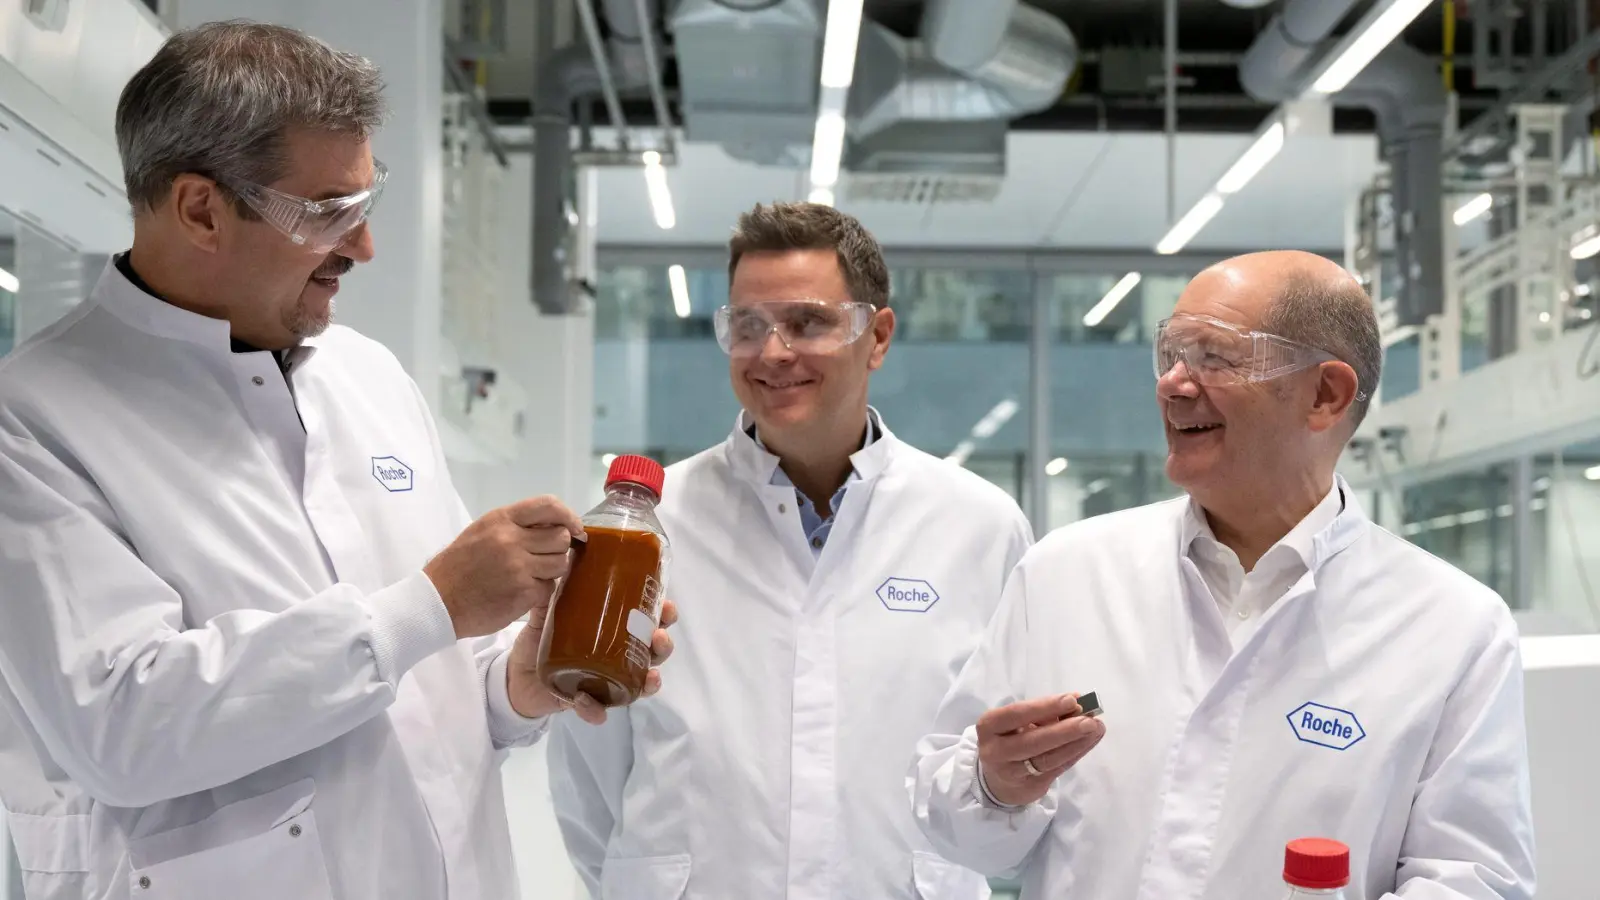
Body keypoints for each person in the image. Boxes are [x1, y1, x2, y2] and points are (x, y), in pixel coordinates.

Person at [0, 22, 674, 900]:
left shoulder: (368, 377)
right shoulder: (36, 418)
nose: (363, 247)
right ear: (202, 209)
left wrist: (519, 680)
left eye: (365, 203)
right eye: (327, 212)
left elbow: (429, 682)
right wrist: (433, 604)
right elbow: (122, 729)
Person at [910, 250, 1536, 899]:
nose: (1173, 384)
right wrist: (995, 787)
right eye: (1170, 354)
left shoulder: (1452, 627)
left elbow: (1475, 880)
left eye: (1216, 357)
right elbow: (957, 837)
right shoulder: (1064, 575)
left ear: (1325, 395)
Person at [546, 202, 1034, 899]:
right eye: (747, 327)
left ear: (878, 336)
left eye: (807, 323)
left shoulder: (979, 528)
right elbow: (588, 769)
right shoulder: (648, 528)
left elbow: (1001, 776)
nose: (773, 352)